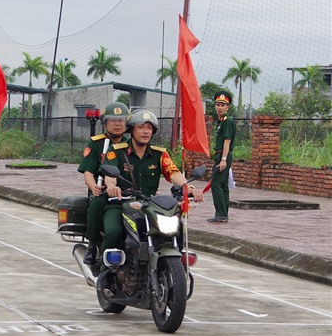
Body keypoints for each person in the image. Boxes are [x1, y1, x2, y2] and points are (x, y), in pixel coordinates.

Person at [99, 109, 204, 255]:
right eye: (141, 127)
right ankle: (104, 272)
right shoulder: (117, 151)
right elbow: (110, 176)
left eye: (149, 128)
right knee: (113, 232)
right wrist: (112, 186)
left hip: (149, 205)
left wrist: (189, 187)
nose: (145, 132)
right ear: (131, 130)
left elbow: (173, 172)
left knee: (177, 230)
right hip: (120, 203)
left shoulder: (159, 154)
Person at [78, 102, 131, 265]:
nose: (117, 124)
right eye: (112, 120)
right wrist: (93, 186)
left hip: (125, 191)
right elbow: (88, 171)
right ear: (105, 123)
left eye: (121, 120)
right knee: (97, 203)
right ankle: (92, 246)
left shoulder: (130, 144)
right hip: (101, 189)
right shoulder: (96, 143)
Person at [209, 90, 236, 223]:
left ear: (228, 107)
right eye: (218, 104)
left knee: (216, 184)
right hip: (220, 156)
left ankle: (220, 213)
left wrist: (224, 159)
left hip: (223, 156)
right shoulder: (221, 121)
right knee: (223, 185)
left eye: (223, 105)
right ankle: (223, 213)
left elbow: (227, 141)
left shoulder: (227, 121)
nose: (220, 107)